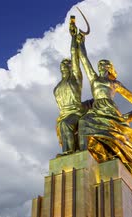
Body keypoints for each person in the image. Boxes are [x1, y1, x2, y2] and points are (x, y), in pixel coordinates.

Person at [75, 32, 132, 176]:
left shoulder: (115, 83)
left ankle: (119, 157)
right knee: (83, 123)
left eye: (103, 65)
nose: (100, 67)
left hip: (110, 110)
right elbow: (85, 61)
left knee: (115, 135)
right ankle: (82, 156)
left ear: (109, 69)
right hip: (97, 108)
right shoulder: (94, 79)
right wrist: (80, 42)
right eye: (99, 65)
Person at [54, 17, 84, 155]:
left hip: (76, 113)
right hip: (63, 115)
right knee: (63, 123)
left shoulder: (76, 79)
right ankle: (68, 152)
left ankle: (69, 153)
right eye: (62, 64)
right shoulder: (58, 86)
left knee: (65, 124)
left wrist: (73, 38)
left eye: (67, 63)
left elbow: (74, 55)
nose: (64, 65)